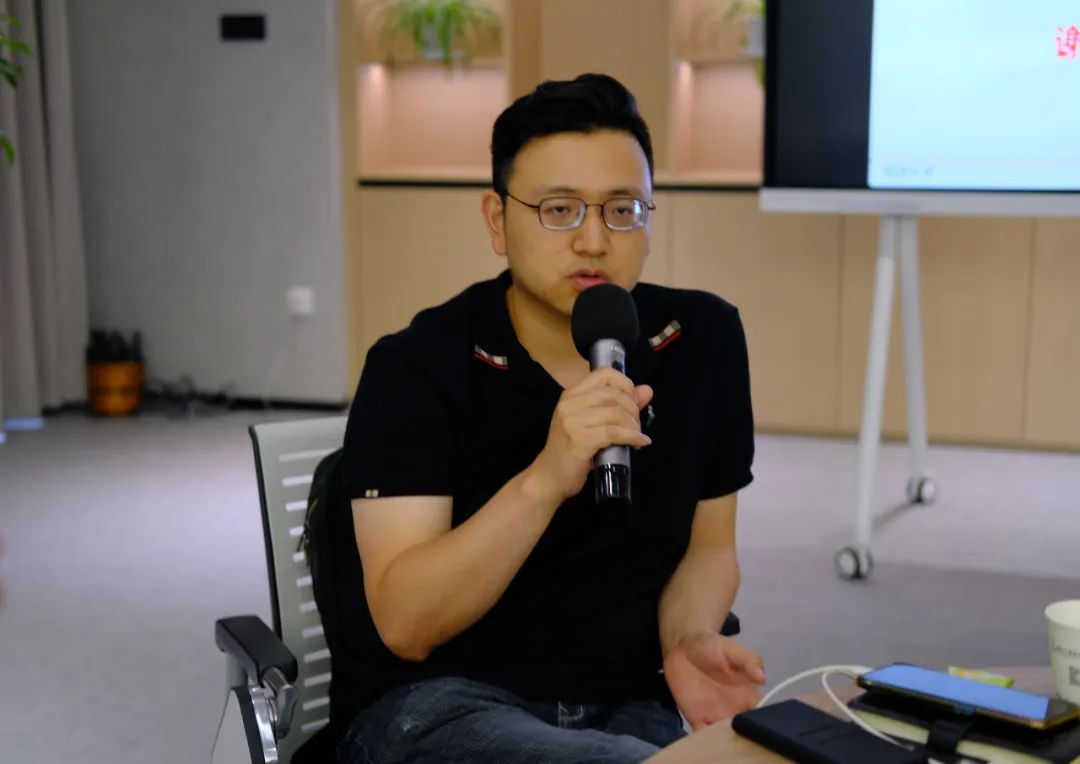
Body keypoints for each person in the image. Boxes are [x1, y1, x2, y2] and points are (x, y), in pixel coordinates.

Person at [336, 72, 764, 763]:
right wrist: (546, 477)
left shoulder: (702, 339)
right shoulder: (417, 365)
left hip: (626, 696)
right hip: (440, 701)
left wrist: (687, 640)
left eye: (622, 209)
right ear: (497, 220)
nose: (594, 240)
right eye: (560, 209)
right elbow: (405, 622)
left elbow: (710, 548)